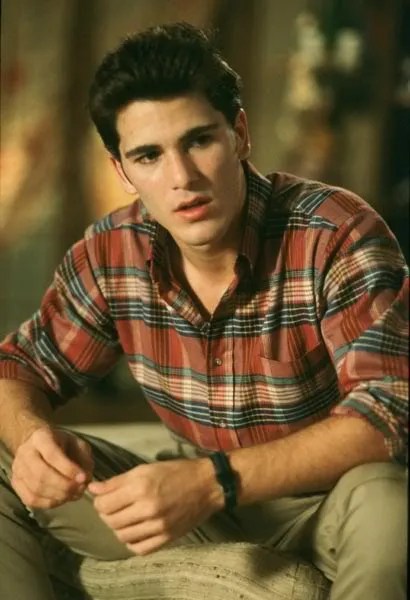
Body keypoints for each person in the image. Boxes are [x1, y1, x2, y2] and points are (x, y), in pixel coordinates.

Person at [0, 22, 407, 600]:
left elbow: (389, 412)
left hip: (327, 508)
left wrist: (213, 481)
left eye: (198, 141)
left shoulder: (335, 233)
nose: (182, 178)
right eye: (149, 155)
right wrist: (33, 440)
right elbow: (18, 368)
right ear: (122, 171)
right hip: (193, 514)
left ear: (239, 134)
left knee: (391, 504)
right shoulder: (112, 252)